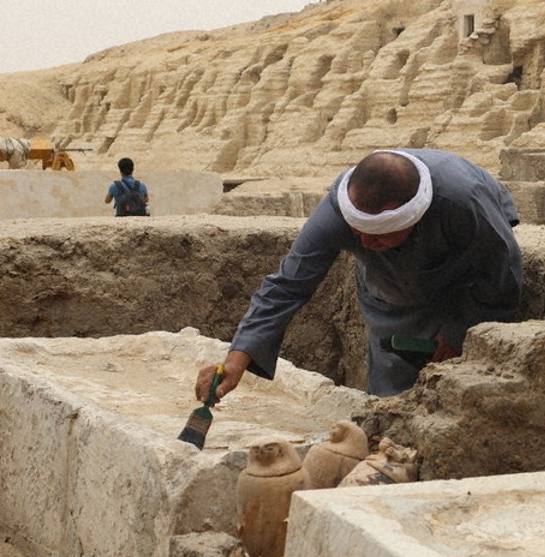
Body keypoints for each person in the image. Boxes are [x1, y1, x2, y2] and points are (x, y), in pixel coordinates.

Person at [194, 148, 524, 406]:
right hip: (391, 296)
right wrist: (236, 360)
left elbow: (501, 269)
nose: (365, 244)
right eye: (357, 233)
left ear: (413, 217)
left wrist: (457, 328)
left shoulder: (462, 199)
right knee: (391, 394)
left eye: (380, 236)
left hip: (460, 280)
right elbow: (287, 285)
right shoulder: (337, 210)